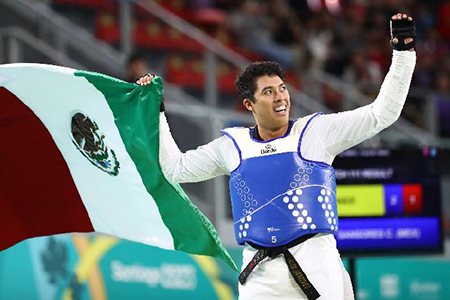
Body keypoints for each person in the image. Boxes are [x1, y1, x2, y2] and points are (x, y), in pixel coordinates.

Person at [137, 12, 416, 300]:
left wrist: (403, 52)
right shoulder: (232, 145)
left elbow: (382, 113)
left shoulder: (316, 132)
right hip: (258, 276)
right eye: (269, 92)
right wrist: (156, 113)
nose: (281, 97)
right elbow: (176, 168)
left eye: (282, 88)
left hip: (318, 270)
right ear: (249, 104)